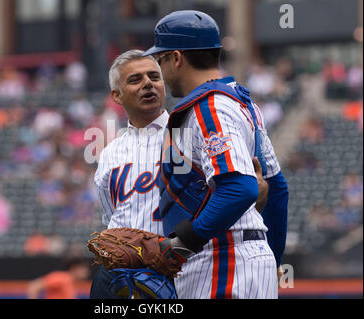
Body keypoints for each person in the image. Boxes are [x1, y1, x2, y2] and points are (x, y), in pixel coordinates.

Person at [90, 49, 268, 298]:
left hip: (184, 269)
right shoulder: (109, 154)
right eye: (135, 79)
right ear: (116, 96)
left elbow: (231, 193)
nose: (148, 84)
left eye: (154, 76)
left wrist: (255, 202)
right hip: (125, 277)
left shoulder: (189, 130)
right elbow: (112, 222)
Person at [142, 10, 289, 299]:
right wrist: (274, 256)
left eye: (160, 61)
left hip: (223, 259)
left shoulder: (208, 107)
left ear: (176, 58)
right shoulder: (243, 104)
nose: (161, 71)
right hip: (241, 257)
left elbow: (238, 188)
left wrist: (181, 244)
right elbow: (277, 190)